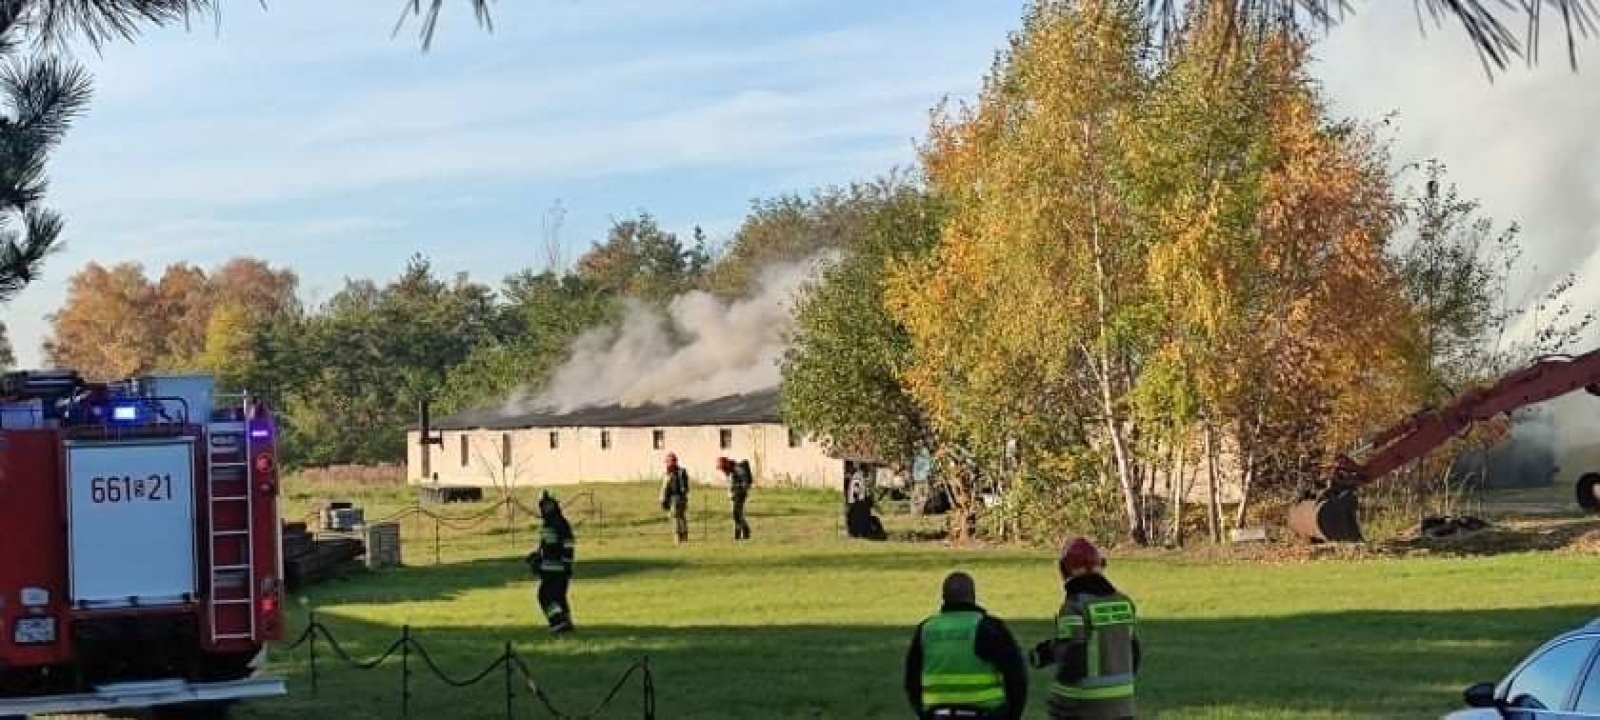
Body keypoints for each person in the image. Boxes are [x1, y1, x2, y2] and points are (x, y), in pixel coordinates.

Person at [1030, 537, 1140, 720]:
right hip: (1124, 708)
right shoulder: (1124, 603)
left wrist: (1060, 702)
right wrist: (1050, 650)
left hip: (1086, 708)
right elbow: (1131, 651)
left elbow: (1073, 658)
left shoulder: (1074, 607)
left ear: (1065, 570)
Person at [904, 571, 1029, 720]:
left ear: (943, 597)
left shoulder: (926, 629)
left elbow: (912, 680)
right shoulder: (988, 627)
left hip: (938, 714)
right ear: (973, 596)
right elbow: (1016, 678)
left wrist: (924, 713)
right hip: (984, 715)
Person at [524, 491, 576, 634]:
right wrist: (537, 556)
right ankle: (567, 623)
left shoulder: (559, 523)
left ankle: (558, 622)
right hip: (549, 568)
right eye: (544, 505)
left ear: (555, 505)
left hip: (557, 569)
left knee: (545, 596)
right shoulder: (548, 523)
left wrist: (567, 563)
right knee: (558, 598)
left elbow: (568, 543)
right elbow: (547, 545)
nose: (546, 508)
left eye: (549, 505)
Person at [719, 456, 754, 540]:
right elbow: (731, 484)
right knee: (738, 514)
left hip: (740, 494)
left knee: (736, 514)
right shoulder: (730, 471)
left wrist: (739, 489)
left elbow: (744, 483)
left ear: (726, 465)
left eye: (722, 468)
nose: (722, 470)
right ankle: (745, 531)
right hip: (734, 495)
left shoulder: (737, 469)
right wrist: (731, 493)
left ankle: (739, 534)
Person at [660, 452, 691, 544]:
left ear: (674, 461)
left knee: (676, 518)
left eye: (668, 461)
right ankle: (683, 538)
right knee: (680, 517)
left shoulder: (678, 472)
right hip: (676, 498)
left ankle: (679, 538)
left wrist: (664, 500)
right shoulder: (672, 472)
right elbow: (665, 488)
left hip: (677, 497)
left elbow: (667, 488)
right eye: (667, 462)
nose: (667, 463)